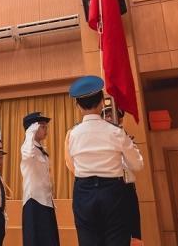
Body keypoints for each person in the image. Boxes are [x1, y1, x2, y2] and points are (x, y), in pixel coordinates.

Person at [67, 75, 144, 246]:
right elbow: (137, 165)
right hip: (112, 191)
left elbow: (72, 161)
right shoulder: (115, 132)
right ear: (102, 102)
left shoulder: (73, 134)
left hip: (83, 191)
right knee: (116, 239)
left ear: (78, 106)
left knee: (88, 241)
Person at [102, 106, 142, 244]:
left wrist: (125, 144)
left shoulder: (127, 139)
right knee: (112, 231)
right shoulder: (100, 141)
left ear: (120, 119)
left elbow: (137, 165)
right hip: (108, 188)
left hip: (127, 188)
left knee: (133, 230)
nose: (109, 118)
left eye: (112, 115)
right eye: (106, 115)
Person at [20, 112, 59, 246]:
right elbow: (28, 153)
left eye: (45, 126)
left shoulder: (40, 150)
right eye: (42, 126)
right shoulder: (27, 148)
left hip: (46, 202)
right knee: (35, 241)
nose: (46, 130)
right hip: (34, 202)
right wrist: (30, 133)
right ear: (33, 128)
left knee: (49, 240)